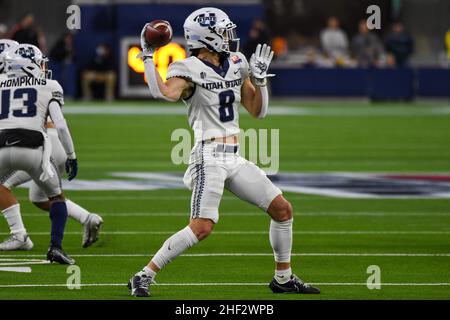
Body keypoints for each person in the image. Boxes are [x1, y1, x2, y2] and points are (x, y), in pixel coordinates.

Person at [127, 7, 320, 297]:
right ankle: (144, 275)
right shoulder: (187, 68)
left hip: (235, 156)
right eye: (224, 32)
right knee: (202, 226)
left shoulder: (237, 62)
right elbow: (162, 93)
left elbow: (258, 112)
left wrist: (261, 81)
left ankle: (283, 277)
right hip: (208, 156)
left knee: (282, 209)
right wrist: (147, 55)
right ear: (208, 37)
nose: (230, 37)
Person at [0, 39, 103, 251]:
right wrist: (70, 154)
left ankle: (19, 236)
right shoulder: (44, 85)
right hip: (51, 142)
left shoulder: (7, 82)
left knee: (3, 187)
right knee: (39, 197)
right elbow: (60, 122)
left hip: (40, 144)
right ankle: (87, 218)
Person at [49, 32, 76, 99]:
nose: (69, 40)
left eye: (70, 39)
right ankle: (54, 94)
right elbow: (56, 55)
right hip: (54, 64)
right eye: (68, 38)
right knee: (55, 80)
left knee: (66, 79)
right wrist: (66, 51)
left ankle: (68, 94)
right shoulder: (59, 44)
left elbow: (73, 57)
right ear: (64, 38)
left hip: (62, 66)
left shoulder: (71, 46)